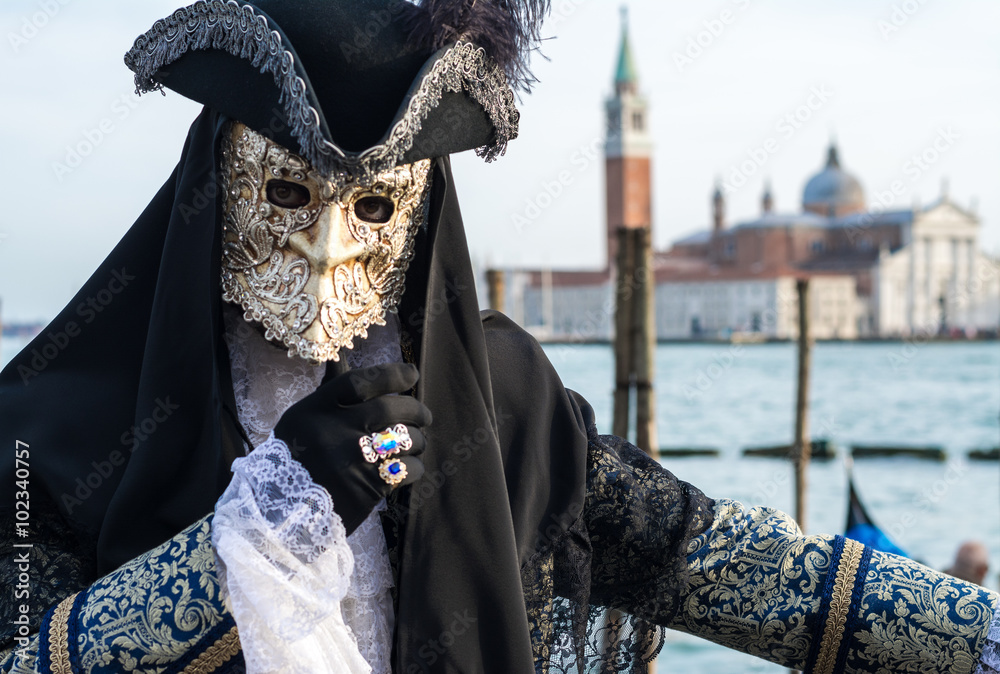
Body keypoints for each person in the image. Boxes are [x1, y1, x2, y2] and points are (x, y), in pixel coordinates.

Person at [1, 1, 999, 672]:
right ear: (217, 187)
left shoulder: (499, 396)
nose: (327, 249)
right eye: (292, 194)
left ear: (425, 211)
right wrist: (263, 529)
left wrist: (980, 631)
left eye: (376, 209)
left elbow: (717, 558)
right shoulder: (41, 432)